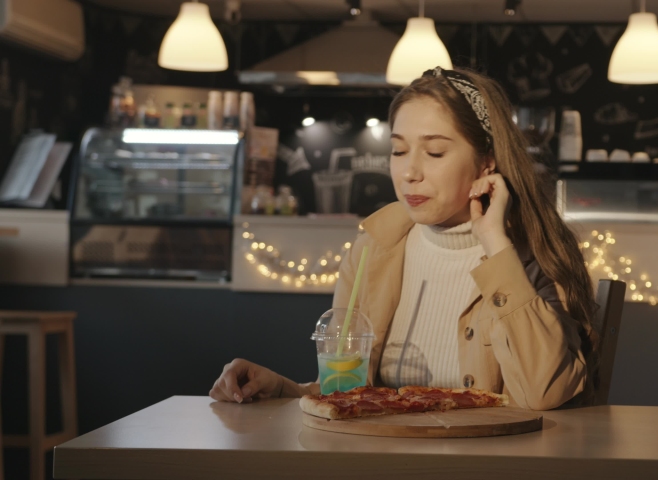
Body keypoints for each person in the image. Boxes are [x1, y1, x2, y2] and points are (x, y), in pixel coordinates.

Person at [210, 67, 598, 410]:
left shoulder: (532, 255)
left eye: (434, 151)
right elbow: (349, 395)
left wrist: (495, 242)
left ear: (486, 162)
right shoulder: (373, 249)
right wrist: (282, 388)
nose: (409, 172)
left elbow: (545, 393)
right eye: (398, 150)